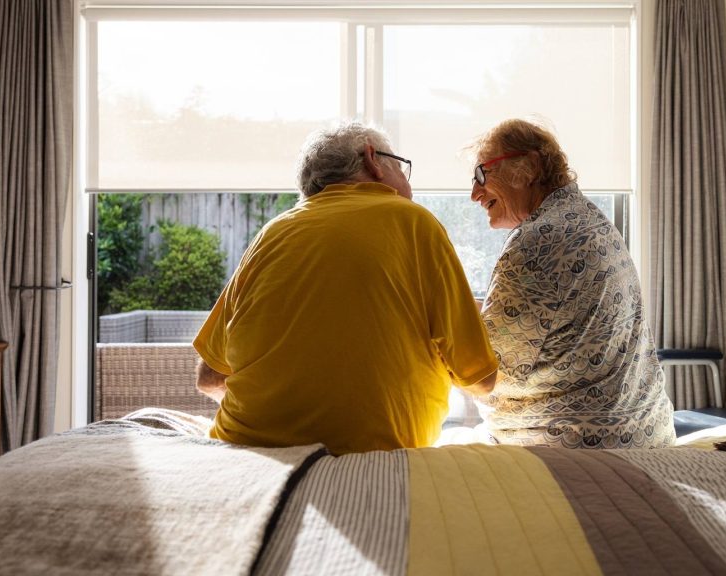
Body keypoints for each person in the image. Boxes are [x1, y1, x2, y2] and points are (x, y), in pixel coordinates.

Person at [193, 121, 498, 455]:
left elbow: (209, 378)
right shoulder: (413, 222)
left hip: (245, 450)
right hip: (375, 454)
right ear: (372, 159)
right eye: (401, 168)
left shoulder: (273, 233)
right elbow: (480, 380)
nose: (408, 187)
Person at [468, 119, 675, 449]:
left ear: (529, 167)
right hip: (647, 437)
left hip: (582, 449)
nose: (474, 194)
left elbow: (484, 374)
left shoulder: (536, 242)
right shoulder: (588, 219)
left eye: (482, 174)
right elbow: (531, 322)